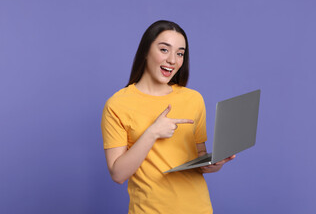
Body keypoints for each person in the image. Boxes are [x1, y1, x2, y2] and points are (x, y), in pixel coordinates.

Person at [101, 20, 235, 213]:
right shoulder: (118, 104)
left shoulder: (193, 99)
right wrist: (152, 133)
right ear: (146, 51)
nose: (173, 60)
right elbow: (118, 174)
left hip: (198, 208)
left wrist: (214, 164)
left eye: (180, 53)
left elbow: (198, 158)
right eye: (164, 50)